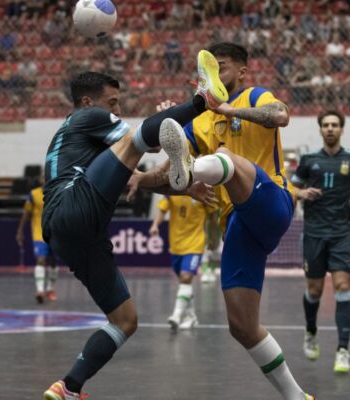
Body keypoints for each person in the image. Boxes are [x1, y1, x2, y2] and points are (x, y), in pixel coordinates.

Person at [41, 50, 229, 400]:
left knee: (125, 320)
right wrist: (173, 117)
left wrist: (183, 186)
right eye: (112, 103)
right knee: (137, 138)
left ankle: (68, 387)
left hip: (71, 234)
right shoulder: (87, 118)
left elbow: (135, 179)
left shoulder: (87, 144)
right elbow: (139, 139)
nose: (116, 110)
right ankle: (205, 98)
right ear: (87, 102)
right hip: (72, 204)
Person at [132, 42, 314, 400]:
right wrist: (139, 179)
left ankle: (198, 165)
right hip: (238, 227)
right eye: (208, 71)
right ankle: (298, 397)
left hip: (272, 201)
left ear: (242, 72)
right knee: (242, 327)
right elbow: (166, 176)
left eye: (222, 67)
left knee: (224, 157)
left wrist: (230, 109)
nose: (214, 75)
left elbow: (280, 115)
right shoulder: (199, 121)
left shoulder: (256, 95)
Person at [290, 109, 350, 374]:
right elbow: (290, 188)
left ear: (341, 129)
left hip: (342, 234)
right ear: (320, 129)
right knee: (314, 291)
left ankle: (342, 351)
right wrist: (302, 192)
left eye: (334, 125)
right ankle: (311, 331)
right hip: (314, 233)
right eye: (325, 125)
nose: (330, 129)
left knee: (341, 287)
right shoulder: (308, 160)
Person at [148, 194, 209, 330]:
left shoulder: (202, 191)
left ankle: (177, 315)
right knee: (184, 282)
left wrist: (213, 238)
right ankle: (191, 317)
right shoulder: (172, 192)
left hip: (195, 243)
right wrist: (155, 225)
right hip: (176, 246)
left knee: (186, 277)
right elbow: (162, 210)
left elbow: (212, 217)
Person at [16, 174, 59, 304]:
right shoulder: (33, 194)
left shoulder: (58, 192)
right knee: (40, 260)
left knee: (53, 263)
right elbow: (26, 214)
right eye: (43, 176)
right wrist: (19, 231)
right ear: (40, 179)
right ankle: (40, 290)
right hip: (39, 234)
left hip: (56, 234)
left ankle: (50, 289)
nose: (45, 179)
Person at [199, 208, 221, 283]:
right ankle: (204, 272)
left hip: (218, 233)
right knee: (205, 252)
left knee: (215, 252)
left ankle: (212, 271)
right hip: (206, 234)